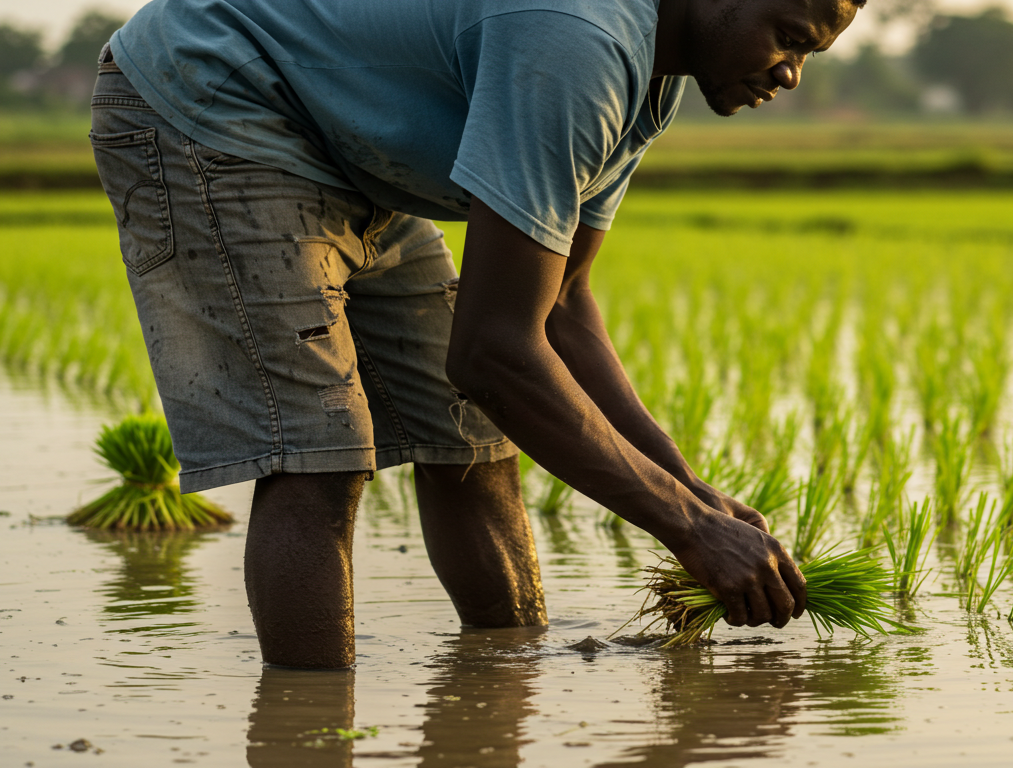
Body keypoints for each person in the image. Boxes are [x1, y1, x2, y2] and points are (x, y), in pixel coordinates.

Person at [90, 0, 861, 669]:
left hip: (336, 142)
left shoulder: (650, 81)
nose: (790, 73)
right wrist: (686, 527)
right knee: (320, 454)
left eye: (810, 55)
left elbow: (559, 303)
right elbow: (492, 352)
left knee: (474, 440)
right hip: (217, 97)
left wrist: (693, 493)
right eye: (787, 36)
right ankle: (312, 727)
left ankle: (501, 686)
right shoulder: (576, 41)